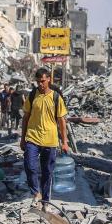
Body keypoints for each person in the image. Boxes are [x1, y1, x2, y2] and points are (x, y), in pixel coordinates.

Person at [20, 67, 70, 208]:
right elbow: (25, 118)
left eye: (42, 81)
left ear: (49, 79)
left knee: (47, 172)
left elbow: (61, 121)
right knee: (30, 166)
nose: (40, 84)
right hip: (32, 137)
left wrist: (64, 142)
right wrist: (22, 138)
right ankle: (36, 193)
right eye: (38, 82)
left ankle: (45, 202)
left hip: (50, 139)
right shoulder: (32, 96)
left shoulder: (55, 97)